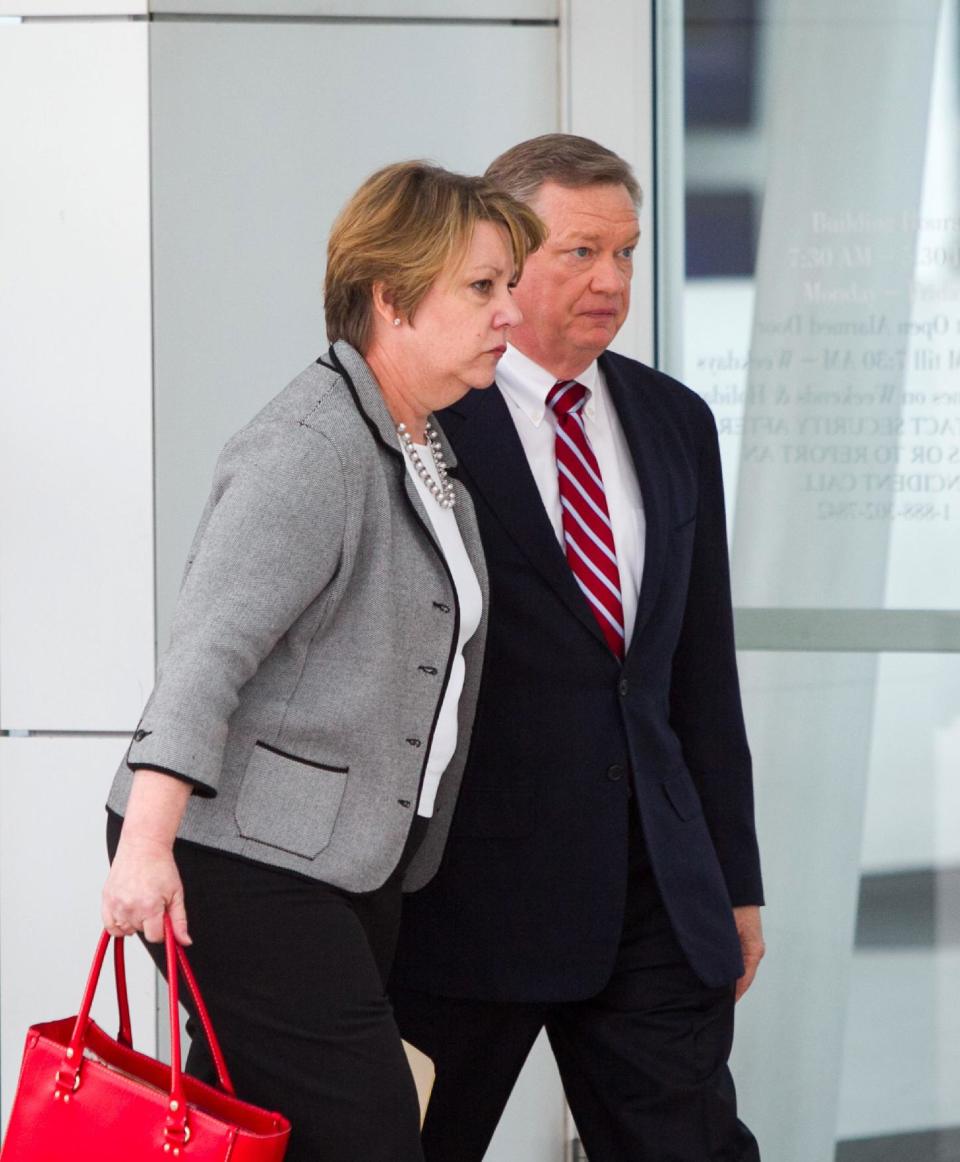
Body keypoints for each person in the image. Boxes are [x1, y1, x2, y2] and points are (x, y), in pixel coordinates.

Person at [101, 159, 544, 1162]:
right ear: (390, 296)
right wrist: (148, 846)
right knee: (371, 1134)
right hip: (235, 858)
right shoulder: (311, 444)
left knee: (279, 1136)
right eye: (482, 287)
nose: (509, 312)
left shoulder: (421, 441)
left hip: (343, 859)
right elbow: (207, 649)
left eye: (508, 286)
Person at [390, 134, 765, 1162]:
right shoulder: (426, 420)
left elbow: (696, 670)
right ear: (507, 257)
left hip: (652, 893)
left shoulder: (673, 419)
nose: (611, 281)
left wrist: (733, 874)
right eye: (579, 253)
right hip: (463, 900)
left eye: (627, 253)